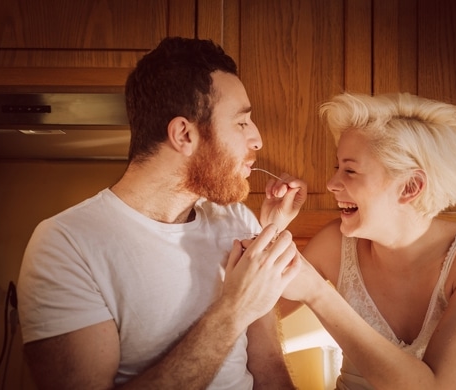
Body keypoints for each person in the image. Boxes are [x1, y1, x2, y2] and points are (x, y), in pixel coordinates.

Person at [17, 36, 307, 389]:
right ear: (183, 134)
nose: (258, 139)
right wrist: (233, 310)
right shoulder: (66, 246)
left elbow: (269, 367)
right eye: (242, 123)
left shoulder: (237, 221)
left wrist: (270, 235)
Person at [279, 92, 456, 390]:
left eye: (350, 170)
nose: (331, 184)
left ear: (410, 187)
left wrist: (317, 293)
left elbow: (439, 387)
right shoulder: (333, 244)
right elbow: (251, 313)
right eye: (337, 167)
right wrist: (273, 226)